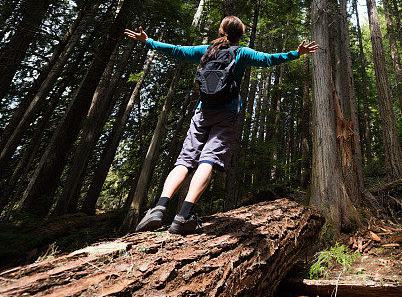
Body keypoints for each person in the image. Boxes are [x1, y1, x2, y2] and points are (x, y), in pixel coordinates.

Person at [123, 15, 318, 235]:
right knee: (208, 159)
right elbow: (269, 59)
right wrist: (297, 53)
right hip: (227, 114)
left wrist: (148, 41)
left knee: (185, 160)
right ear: (240, 34)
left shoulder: (206, 50)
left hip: (202, 112)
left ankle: (159, 208)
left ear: (221, 31)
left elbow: (176, 50)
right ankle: (183, 216)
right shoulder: (242, 53)